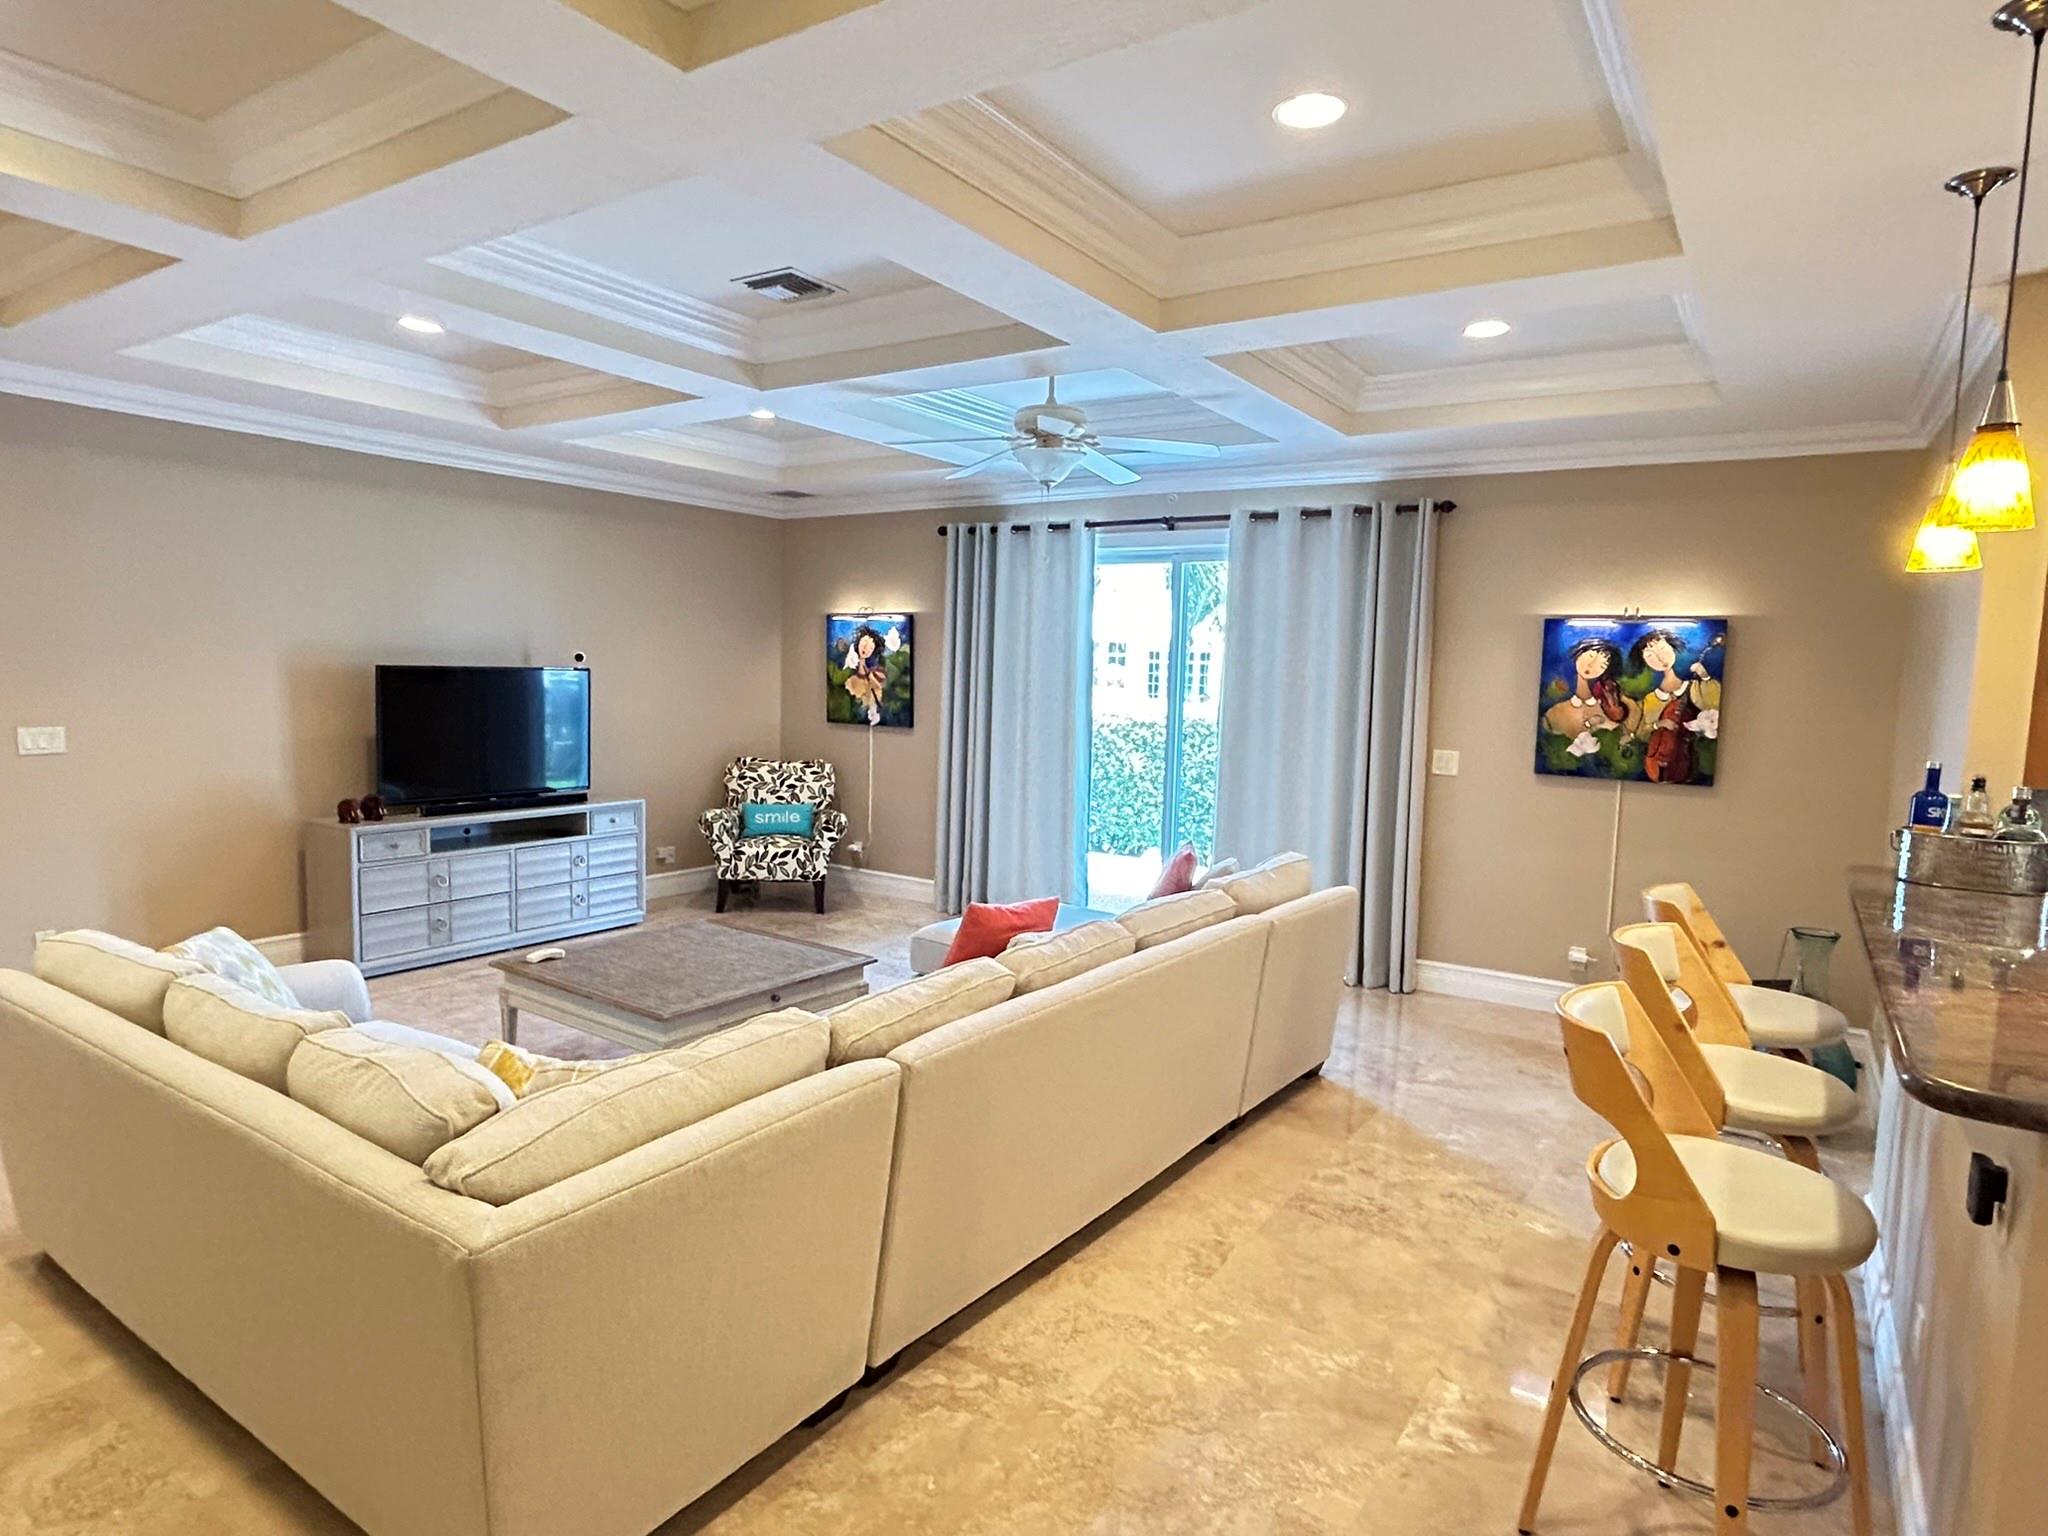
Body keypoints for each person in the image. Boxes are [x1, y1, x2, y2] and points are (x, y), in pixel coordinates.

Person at [1632, 628, 1722, 784]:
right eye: (1650, 656)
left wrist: (1704, 676)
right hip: (1657, 755)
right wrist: (1658, 724)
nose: (1659, 658)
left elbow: (1713, 704)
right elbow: (1641, 732)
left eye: (1662, 649)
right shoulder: (1651, 699)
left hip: (1685, 754)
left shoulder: (1693, 687)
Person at [1542, 637, 1638, 742]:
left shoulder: (1614, 704)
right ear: (1579, 654)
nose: (1591, 665)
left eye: (1602, 665)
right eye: (1590, 656)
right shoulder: (1554, 712)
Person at [841, 624, 889, 725]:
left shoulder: (875, 675)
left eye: (870, 647)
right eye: (864, 643)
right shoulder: (849, 669)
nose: (865, 648)